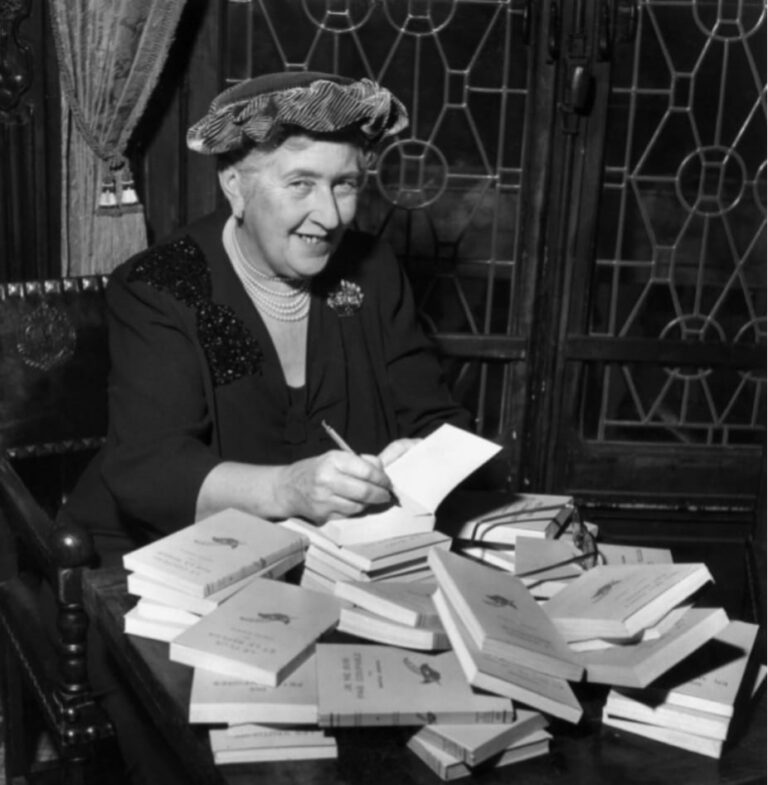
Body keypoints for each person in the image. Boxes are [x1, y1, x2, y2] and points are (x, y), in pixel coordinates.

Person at [59, 71, 472, 783]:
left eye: (345, 184)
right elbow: (150, 468)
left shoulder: (372, 272)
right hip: (156, 571)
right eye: (301, 183)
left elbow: (436, 414)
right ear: (235, 186)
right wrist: (290, 487)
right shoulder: (160, 286)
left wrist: (422, 456)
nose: (330, 214)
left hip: (317, 570)